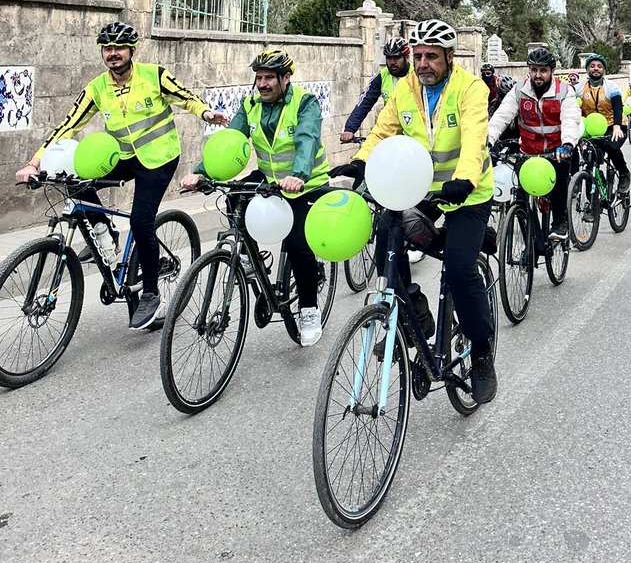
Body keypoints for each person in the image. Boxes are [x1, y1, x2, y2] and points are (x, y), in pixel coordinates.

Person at [16, 22, 227, 330]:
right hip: (123, 156)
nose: (112, 54)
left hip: (159, 158)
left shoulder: (154, 75)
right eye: (107, 48)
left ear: (132, 50)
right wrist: (35, 162)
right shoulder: (97, 87)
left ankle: (151, 293)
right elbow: (68, 125)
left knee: (142, 221)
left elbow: (186, 97)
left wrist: (207, 113)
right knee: (74, 180)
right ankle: (106, 233)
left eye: (118, 48)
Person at [345, 20, 498, 404]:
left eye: (431, 56)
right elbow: (382, 131)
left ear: (449, 57)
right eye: (418, 56)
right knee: (385, 246)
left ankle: (481, 353)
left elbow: (476, 138)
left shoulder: (471, 88)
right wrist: (362, 161)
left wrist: (463, 179)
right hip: (419, 193)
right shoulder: (405, 90)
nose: (423, 63)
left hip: (469, 194)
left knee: (461, 271)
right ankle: (415, 308)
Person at [182, 47, 330, 347]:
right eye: (258, 78)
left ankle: (309, 309)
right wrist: (202, 173)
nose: (262, 84)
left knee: (298, 243)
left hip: (305, 182)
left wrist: (299, 174)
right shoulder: (251, 104)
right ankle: (249, 256)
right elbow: (229, 142)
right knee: (234, 198)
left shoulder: (305, 103)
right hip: (270, 177)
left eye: (268, 78)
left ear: (285, 78)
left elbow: (307, 139)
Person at [488, 46, 582, 241]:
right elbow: (501, 117)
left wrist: (567, 144)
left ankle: (560, 223)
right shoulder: (519, 90)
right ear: (529, 70)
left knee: (559, 183)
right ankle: (531, 243)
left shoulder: (565, 91)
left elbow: (570, 119)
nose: (538, 75)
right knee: (521, 199)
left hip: (556, 151)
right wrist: (487, 141)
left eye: (543, 70)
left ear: (552, 72)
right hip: (528, 151)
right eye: (534, 70)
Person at [575, 53, 631, 199]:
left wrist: (617, 126)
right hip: (592, 128)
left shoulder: (611, 87)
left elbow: (618, 106)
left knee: (611, 147)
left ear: (604, 70)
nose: (596, 69)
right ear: (587, 69)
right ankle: (594, 199)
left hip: (614, 125)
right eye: (592, 66)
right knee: (590, 159)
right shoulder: (580, 88)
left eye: (599, 66)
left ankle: (624, 173)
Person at [340, 39, 410, 143]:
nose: (392, 62)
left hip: (411, 132)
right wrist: (350, 128)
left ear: (406, 57)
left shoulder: (415, 76)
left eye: (396, 57)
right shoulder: (382, 76)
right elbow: (365, 101)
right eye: (389, 58)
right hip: (389, 132)